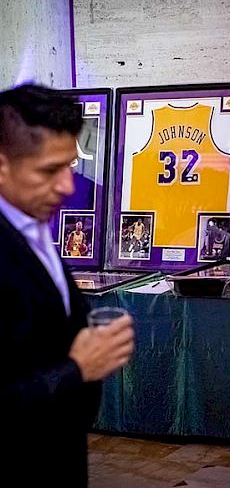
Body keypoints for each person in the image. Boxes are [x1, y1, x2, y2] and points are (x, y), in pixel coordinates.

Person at [0, 84, 135, 487]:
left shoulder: (32, 225)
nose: (66, 187)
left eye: (70, 167)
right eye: (48, 171)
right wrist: (76, 370)